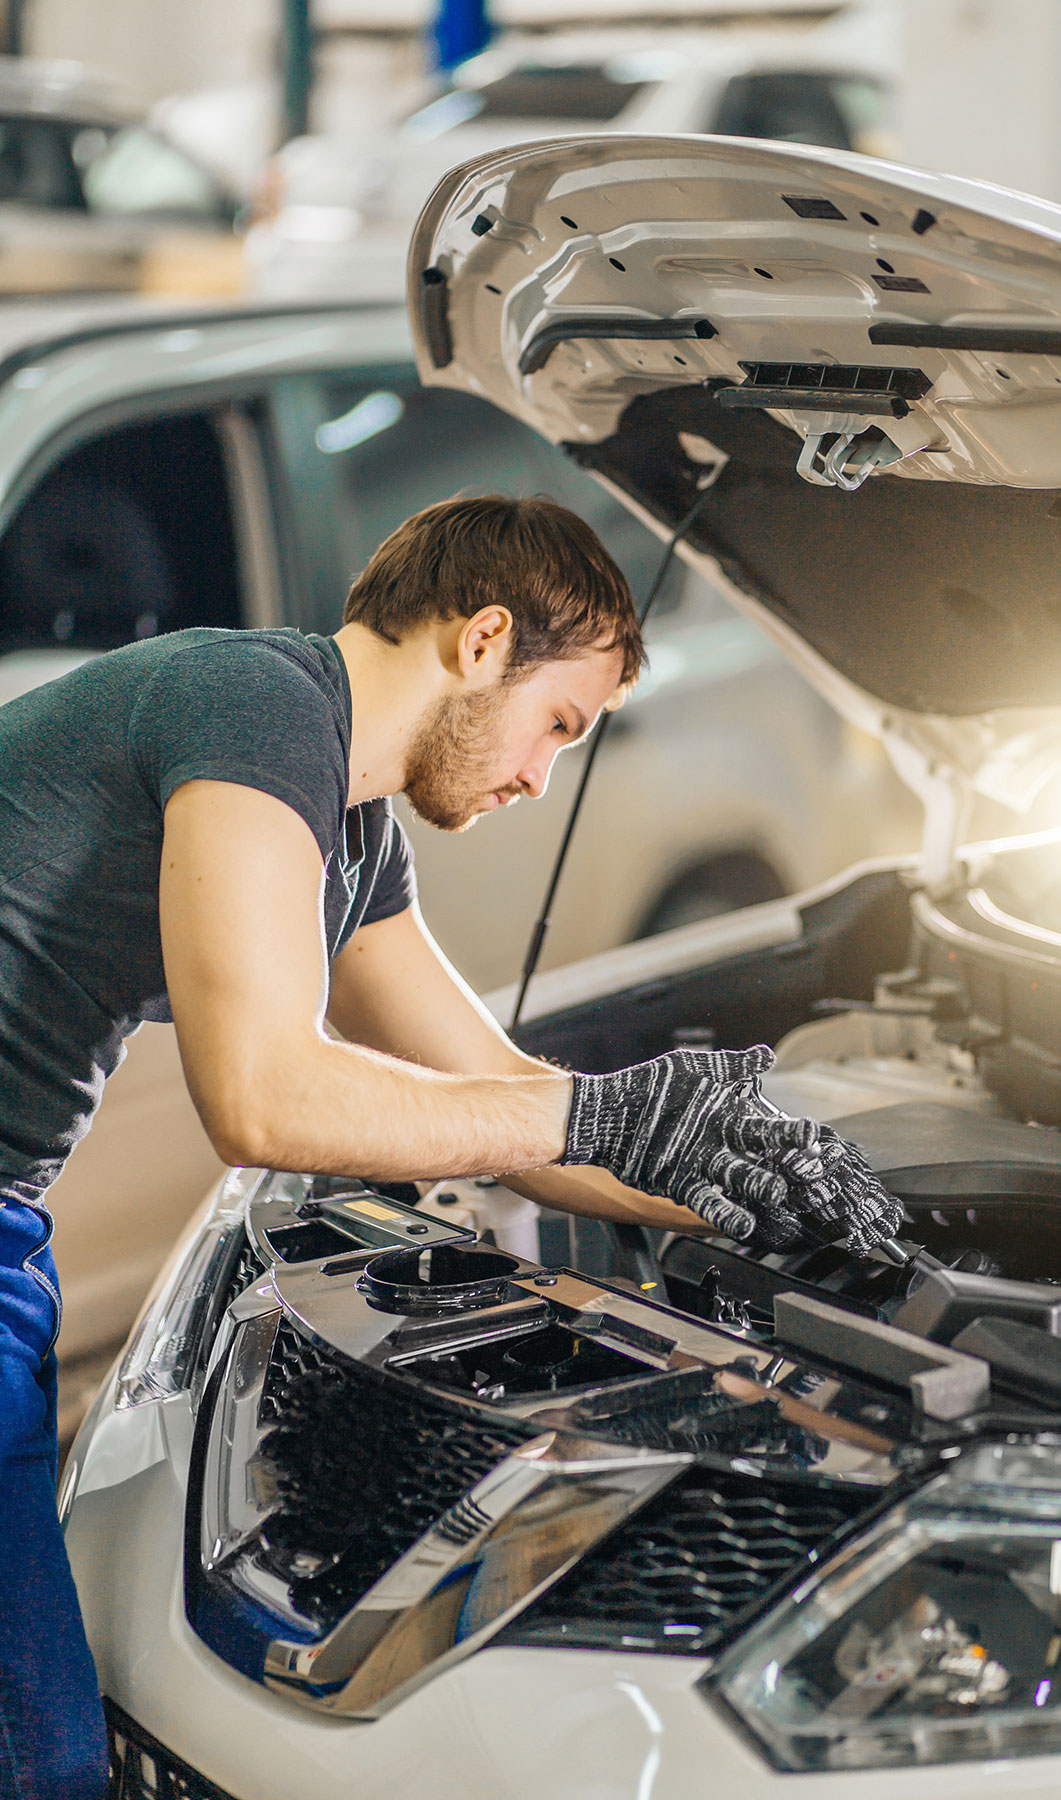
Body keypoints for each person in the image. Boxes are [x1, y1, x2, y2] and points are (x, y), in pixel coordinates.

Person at [0, 493, 900, 1797]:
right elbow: (262, 1096)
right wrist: (615, 1117)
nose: (544, 775)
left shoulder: (351, 839)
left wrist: (730, 1187)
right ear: (484, 640)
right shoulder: (256, 703)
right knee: (39, 1756)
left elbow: (502, 1101)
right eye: (559, 724)